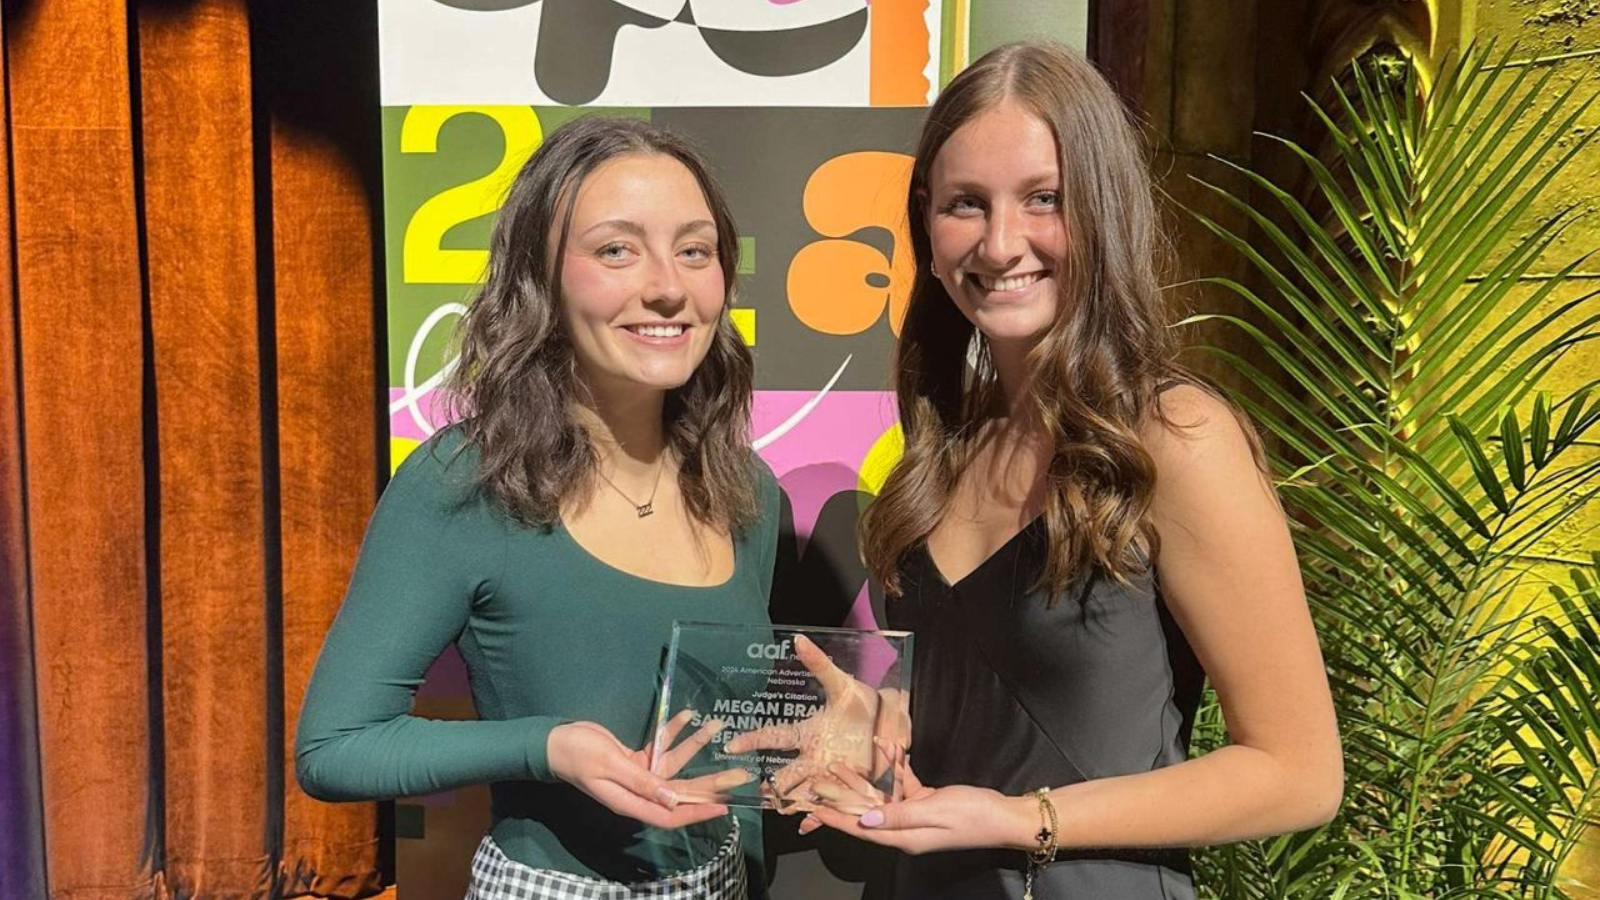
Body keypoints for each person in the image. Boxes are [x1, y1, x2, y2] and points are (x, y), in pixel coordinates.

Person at [797, 42, 1344, 899]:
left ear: (1103, 211)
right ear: (927, 233)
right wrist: (875, 725)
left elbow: (1300, 772)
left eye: (1044, 199)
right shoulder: (943, 446)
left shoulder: (1174, 436)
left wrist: (1027, 820)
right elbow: (983, 715)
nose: (1001, 241)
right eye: (965, 205)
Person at [295, 115, 779, 900]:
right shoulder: (464, 480)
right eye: (616, 249)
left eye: (695, 250)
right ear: (539, 278)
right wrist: (548, 747)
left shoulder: (747, 491)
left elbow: (728, 755)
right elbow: (335, 748)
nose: (667, 284)